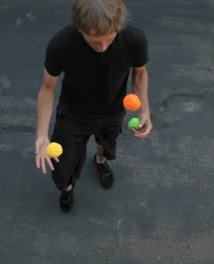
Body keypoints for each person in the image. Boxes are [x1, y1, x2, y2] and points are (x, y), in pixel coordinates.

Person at [35, 0, 153, 213]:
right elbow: (47, 88)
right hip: (73, 113)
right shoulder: (61, 45)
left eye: (109, 38)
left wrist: (145, 110)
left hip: (112, 109)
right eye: (94, 41)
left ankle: (99, 161)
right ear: (80, 29)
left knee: (106, 143)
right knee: (61, 164)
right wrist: (42, 134)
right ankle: (67, 188)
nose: (102, 47)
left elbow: (140, 73)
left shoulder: (134, 39)